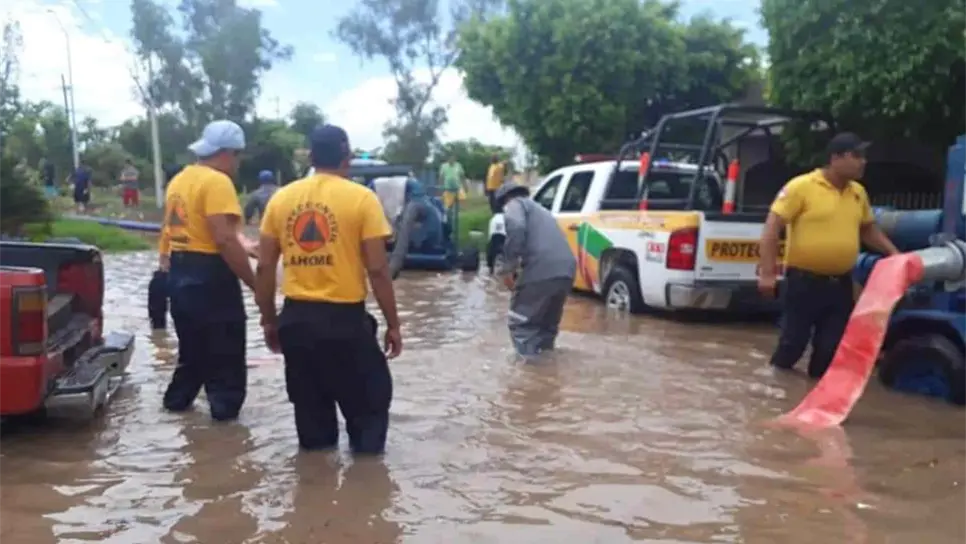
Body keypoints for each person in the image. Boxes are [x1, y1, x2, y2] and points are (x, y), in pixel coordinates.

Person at [254, 124, 401, 455]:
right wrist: (393, 324)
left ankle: (315, 496)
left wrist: (268, 320)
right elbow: (377, 269)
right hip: (346, 324)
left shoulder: (281, 199)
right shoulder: (362, 199)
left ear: (311, 157)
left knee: (313, 430)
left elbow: (264, 267)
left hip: (297, 323)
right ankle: (365, 495)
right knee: (368, 415)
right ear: (346, 159)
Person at [758, 132, 899, 379]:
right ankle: (776, 393)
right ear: (835, 158)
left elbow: (868, 230)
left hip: (840, 284)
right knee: (793, 344)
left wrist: (894, 253)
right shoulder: (801, 187)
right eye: (856, 156)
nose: (862, 162)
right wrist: (768, 273)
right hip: (804, 282)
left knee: (829, 350)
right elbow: (772, 227)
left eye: (863, 156)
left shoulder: (858, 192)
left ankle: (814, 403)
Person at [162, 119, 256, 421]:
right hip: (210, 276)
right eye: (238, 156)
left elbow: (190, 229)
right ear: (227, 153)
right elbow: (223, 238)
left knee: (193, 353)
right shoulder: (218, 182)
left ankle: (176, 406)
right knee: (226, 356)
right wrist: (255, 283)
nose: (239, 163)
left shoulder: (179, 180)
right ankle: (226, 431)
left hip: (179, 273)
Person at [494, 183, 577, 357]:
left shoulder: (514, 204)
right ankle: (548, 374)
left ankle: (529, 376)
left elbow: (516, 227)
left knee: (521, 325)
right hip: (566, 271)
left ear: (504, 200)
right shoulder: (542, 211)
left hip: (541, 269)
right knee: (546, 329)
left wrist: (508, 268)